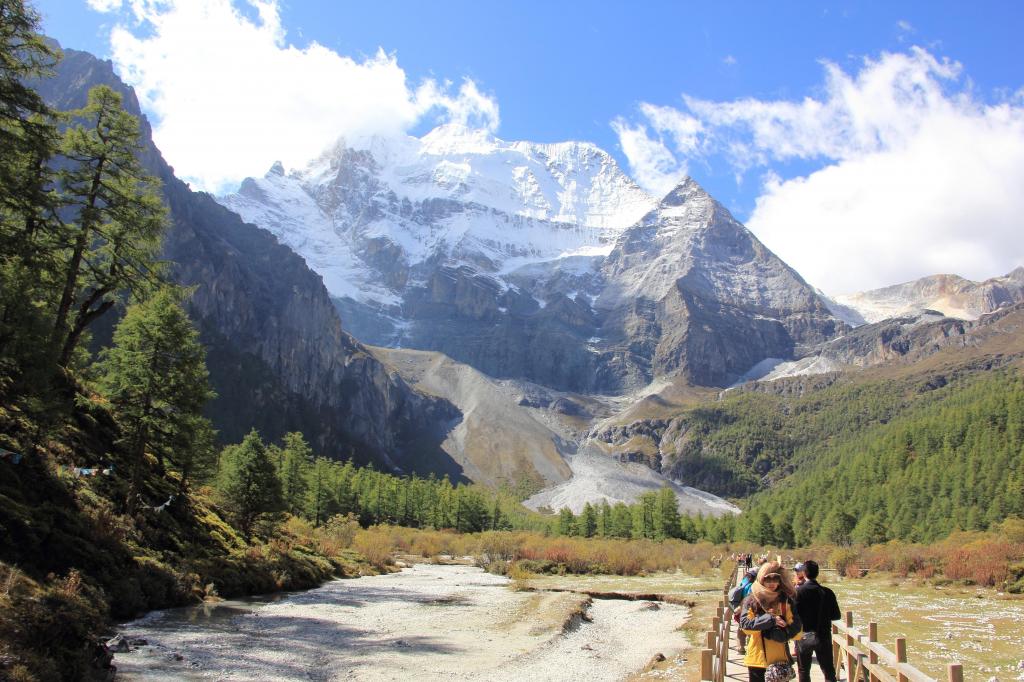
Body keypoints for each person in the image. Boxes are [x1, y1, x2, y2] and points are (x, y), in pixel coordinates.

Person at [740, 561, 802, 682]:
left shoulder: (785, 600)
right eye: (768, 580)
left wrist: (784, 633)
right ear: (761, 580)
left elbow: (797, 630)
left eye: (776, 580)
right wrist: (771, 620)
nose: (772, 583)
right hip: (757, 658)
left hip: (779, 660)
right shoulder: (751, 600)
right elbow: (745, 625)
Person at [793, 560, 841, 682]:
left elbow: (793, 615)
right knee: (829, 671)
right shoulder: (827, 592)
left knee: (803, 671)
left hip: (803, 635)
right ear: (817, 573)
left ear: (803, 573)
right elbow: (836, 615)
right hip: (823, 635)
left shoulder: (798, 592)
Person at [730, 567, 759, 654]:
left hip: (739, 608)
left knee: (741, 628)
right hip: (748, 609)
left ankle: (740, 647)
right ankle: (751, 648)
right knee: (750, 628)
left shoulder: (744, 581)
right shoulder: (752, 585)